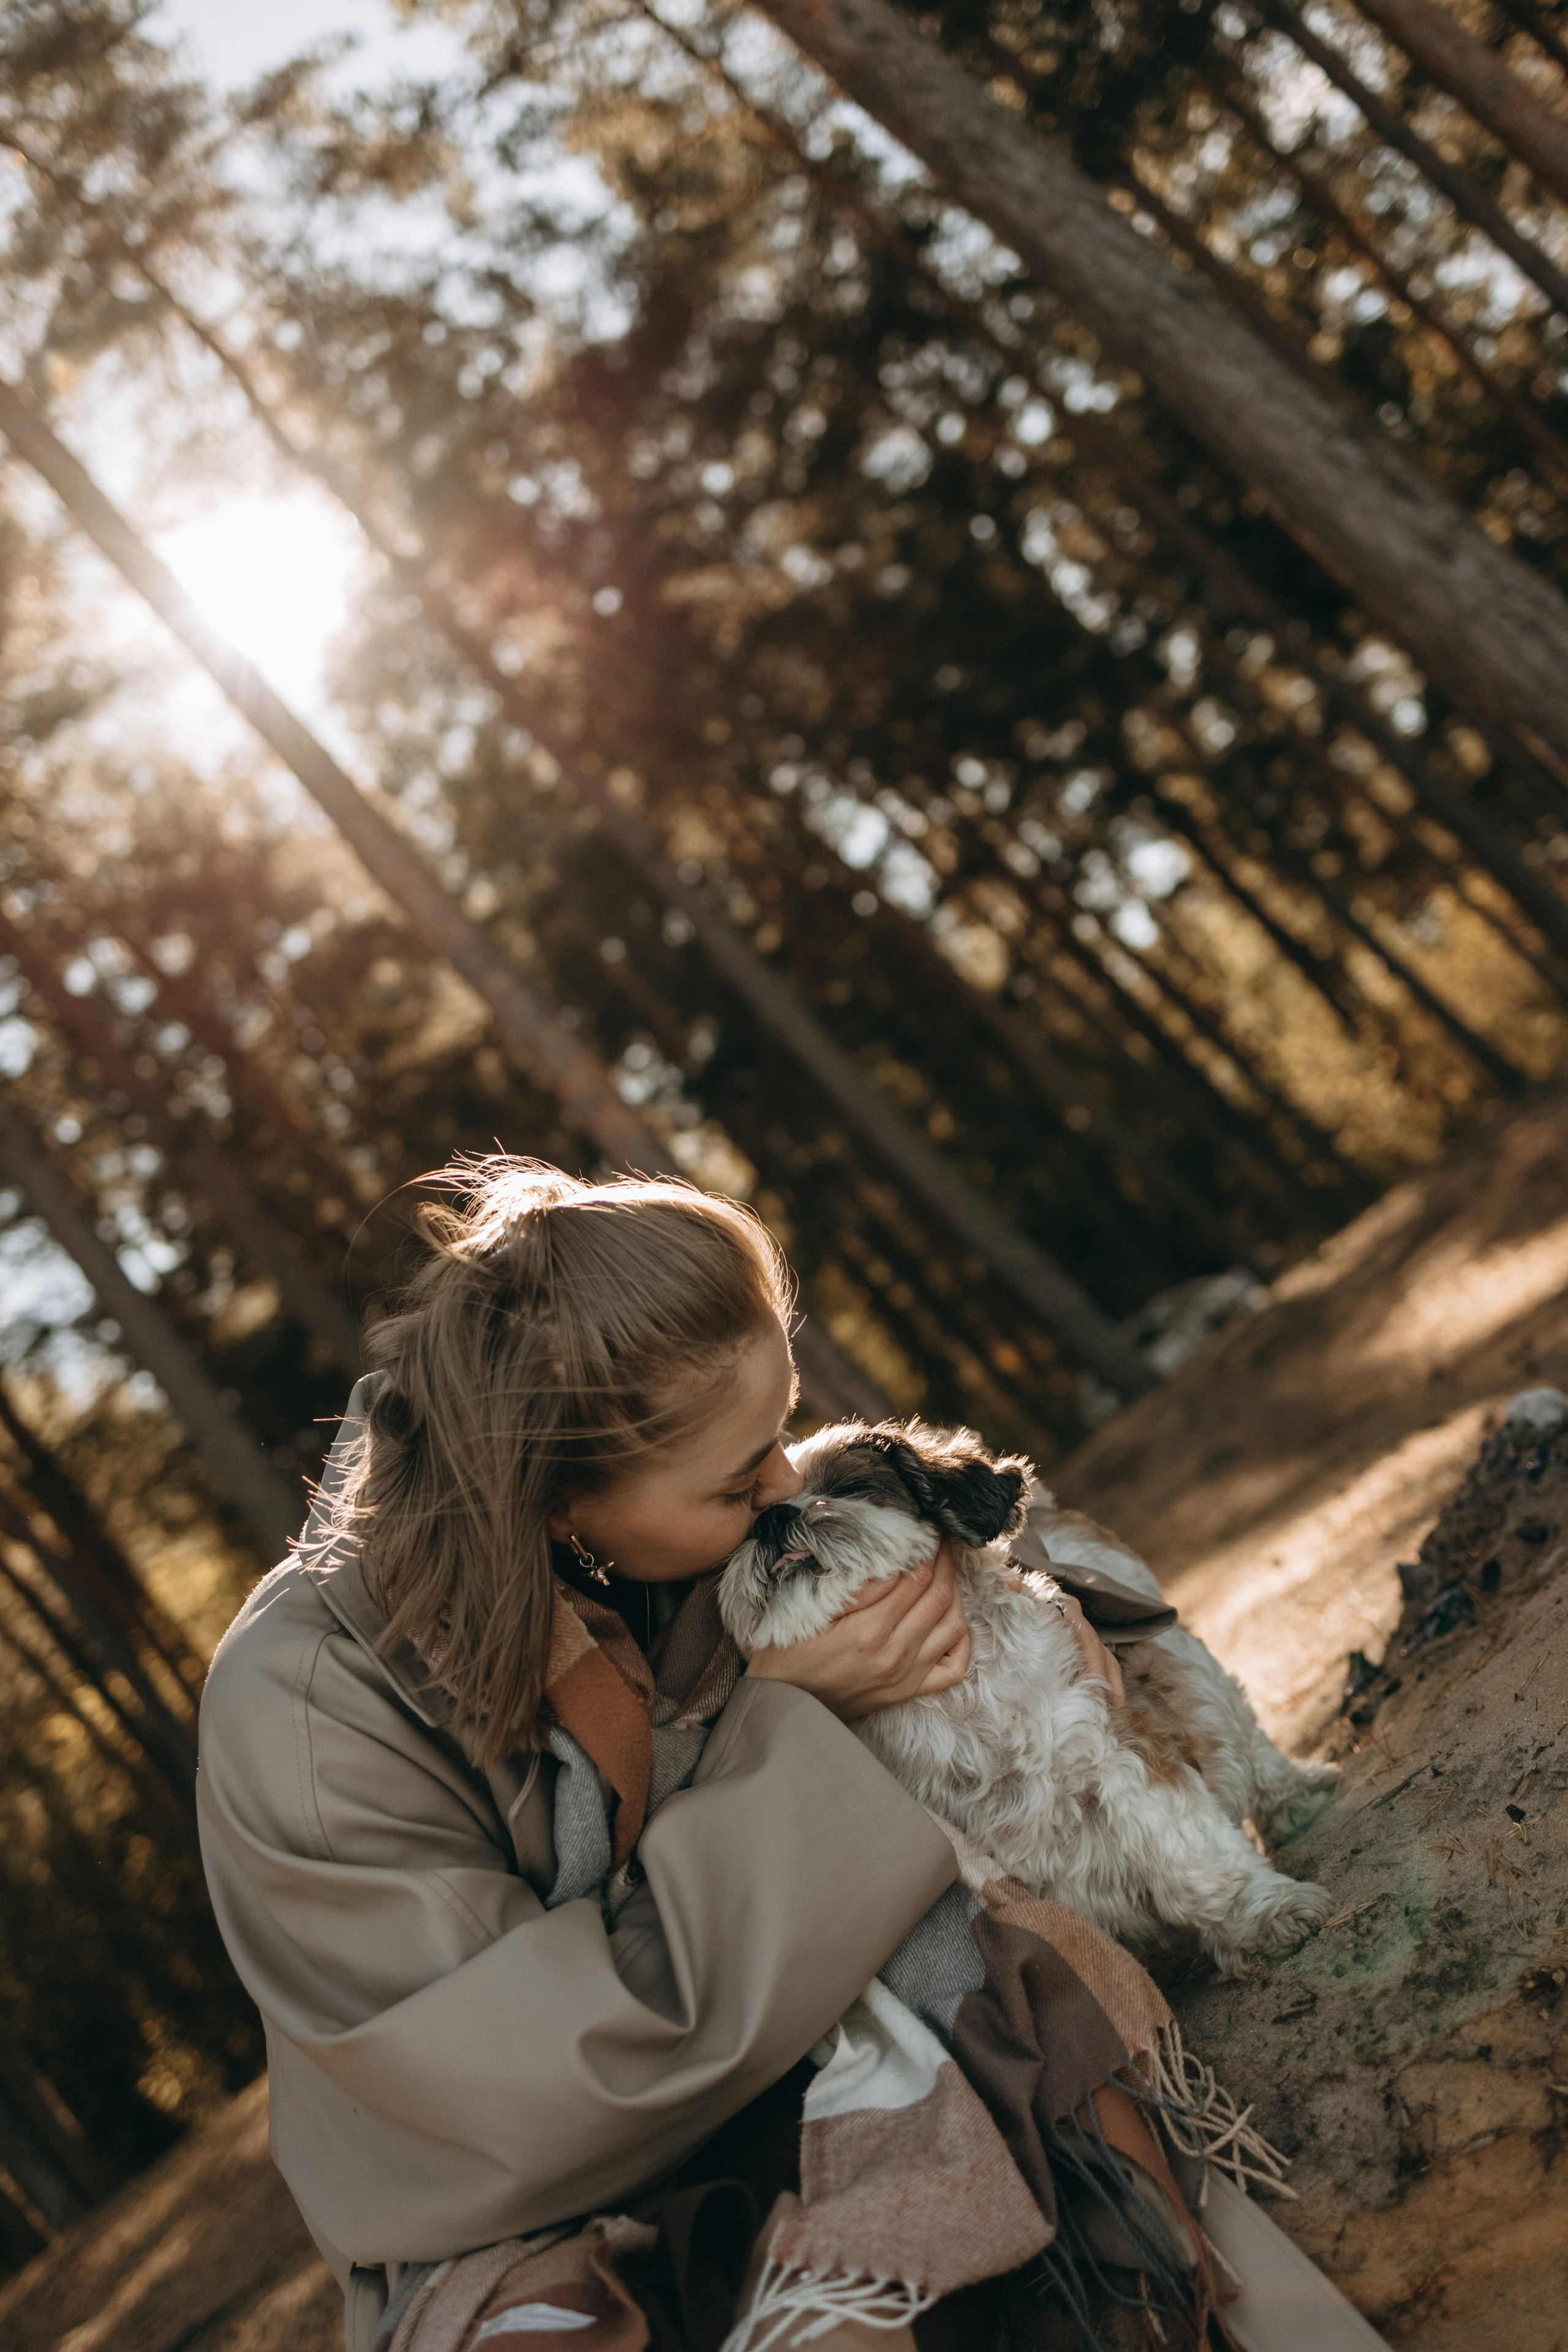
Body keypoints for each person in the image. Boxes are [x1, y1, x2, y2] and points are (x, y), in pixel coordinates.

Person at [198, 1159, 1354, 2352]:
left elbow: (950, 1546)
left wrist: (1046, 1618)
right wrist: (793, 1725)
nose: (781, 1486)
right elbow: (554, 2076)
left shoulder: (659, 1544)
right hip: (522, 2180)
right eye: (737, 1478)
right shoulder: (308, 1711)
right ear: (552, 1500)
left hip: (757, 2019)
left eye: (779, 1434)